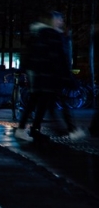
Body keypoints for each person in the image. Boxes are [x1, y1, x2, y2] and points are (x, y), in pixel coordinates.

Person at [15, 11, 85, 142]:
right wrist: (67, 76)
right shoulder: (52, 35)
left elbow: (29, 55)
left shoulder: (37, 33)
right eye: (59, 19)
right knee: (57, 103)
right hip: (51, 76)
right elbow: (59, 57)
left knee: (37, 103)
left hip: (39, 76)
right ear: (52, 20)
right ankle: (71, 130)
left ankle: (29, 129)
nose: (61, 22)